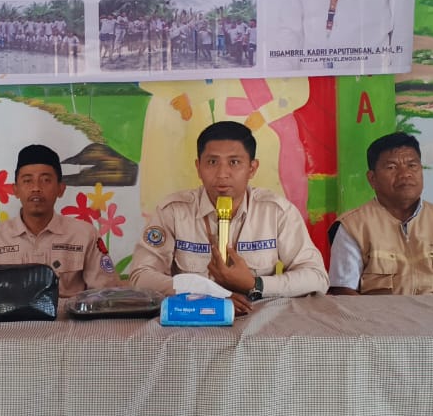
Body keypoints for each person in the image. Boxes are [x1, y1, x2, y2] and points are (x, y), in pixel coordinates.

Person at [129, 120, 328, 311]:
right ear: (198, 167)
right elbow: (141, 276)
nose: (222, 173)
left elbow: (317, 277)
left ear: (252, 168)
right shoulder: (173, 211)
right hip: (194, 318)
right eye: (212, 162)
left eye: (234, 162)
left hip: (257, 317)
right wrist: (205, 292)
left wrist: (255, 284)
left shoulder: (276, 212)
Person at [328, 132, 433, 295]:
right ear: (372, 178)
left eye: (412, 165)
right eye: (392, 167)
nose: (405, 174)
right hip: (383, 312)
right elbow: (343, 292)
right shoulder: (353, 226)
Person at [0, 144, 123, 297]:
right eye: (27, 181)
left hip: (66, 313)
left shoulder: (85, 235)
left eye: (46, 180)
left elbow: (105, 294)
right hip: (7, 314)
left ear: (61, 189)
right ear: (15, 190)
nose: (36, 188)